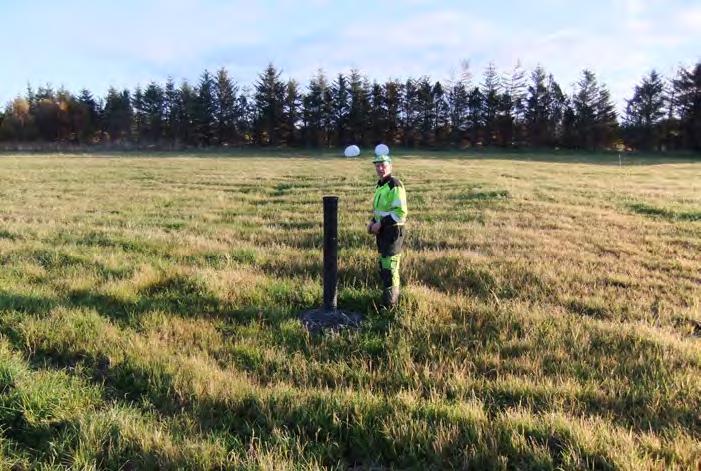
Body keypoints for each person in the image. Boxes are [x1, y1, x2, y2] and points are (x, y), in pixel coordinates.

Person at [367, 151, 407, 308]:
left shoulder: (394, 185)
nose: (380, 168)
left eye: (383, 165)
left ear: (390, 166)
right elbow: (380, 209)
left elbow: (400, 213)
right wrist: (372, 222)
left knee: (390, 266)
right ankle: (387, 299)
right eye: (377, 166)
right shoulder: (381, 184)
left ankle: (390, 304)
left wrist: (381, 224)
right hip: (383, 231)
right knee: (384, 265)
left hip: (392, 232)